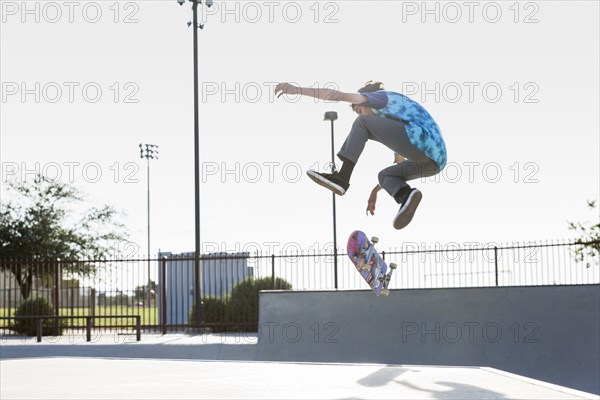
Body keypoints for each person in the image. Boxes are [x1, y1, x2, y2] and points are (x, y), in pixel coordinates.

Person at [274, 81, 447, 230]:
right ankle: (406, 195)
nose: (361, 113)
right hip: (435, 161)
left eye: (359, 109)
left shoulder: (380, 98)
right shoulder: (397, 117)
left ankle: (342, 178)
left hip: (421, 139)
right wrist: (375, 191)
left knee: (362, 124)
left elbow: (337, 95)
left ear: (366, 100)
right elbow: (398, 164)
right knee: (385, 175)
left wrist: (296, 90)